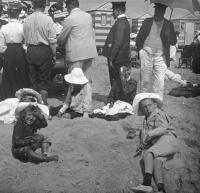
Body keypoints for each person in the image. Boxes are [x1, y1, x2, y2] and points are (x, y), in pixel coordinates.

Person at [131, 93, 179, 193]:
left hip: (168, 139)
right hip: (163, 145)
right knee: (157, 162)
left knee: (148, 153)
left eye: (149, 105)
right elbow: (146, 133)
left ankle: (146, 184)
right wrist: (141, 141)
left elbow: (163, 128)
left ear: (155, 105)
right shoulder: (146, 120)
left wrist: (149, 135)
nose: (147, 108)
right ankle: (161, 188)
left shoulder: (158, 113)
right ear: (142, 110)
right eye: (144, 107)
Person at [57, 0, 97, 116]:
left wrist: (58, 39)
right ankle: (86, 110)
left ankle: (69, 105)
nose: (66, 9)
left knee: (74, 81)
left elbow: (62, 38)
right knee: (87, 81)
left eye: (66, 7)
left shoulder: (70, 18)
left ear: (69, 6)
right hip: (89, 52)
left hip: (75, 54)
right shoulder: (88, 16)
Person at [136, 3, 177, 98]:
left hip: (160, 57)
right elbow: (139, 38)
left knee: (159, 84)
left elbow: (173, 42)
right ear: (154, 11)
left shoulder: (168, 24)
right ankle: (143, 102)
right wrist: (140, 52)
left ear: (164, 12)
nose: (157, 13)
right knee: (144, 82)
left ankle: (157, 105)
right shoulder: (147, 22)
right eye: (156, 11)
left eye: (160, 11)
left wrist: (170, 34)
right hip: (146, 54)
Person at [23, 0, 57, 105]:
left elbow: (25, 37)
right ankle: (43, 104)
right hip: (44, 50)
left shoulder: (27, 20)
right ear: (43, 6)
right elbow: (52, 40)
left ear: (33, 6)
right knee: (44, 79)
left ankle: (34, 104)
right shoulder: (48, 19)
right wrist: (54, 54)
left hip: (31, 50)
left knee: (33, 79)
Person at [102, 1, 130, 103]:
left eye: (113, 11)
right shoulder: (121, 21)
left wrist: (111, 58)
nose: (112, 13)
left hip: (117, 58)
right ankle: (116, 98)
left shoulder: (121, 22)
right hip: (119, 57)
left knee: (116, 79)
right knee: (117, 80)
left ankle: (114, 99)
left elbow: (117, 42)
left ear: (118, 10)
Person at [0, 1, 29, 100]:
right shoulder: (22, 26)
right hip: (19, 51)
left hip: (8, 52)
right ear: (19, 13)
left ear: (8, 13)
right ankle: (20, 97)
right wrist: (24, 50)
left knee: (8, 74)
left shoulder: (3, 28)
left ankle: (8, 96)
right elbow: (26, 43)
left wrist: (5, 52)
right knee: (20, 74)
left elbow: (1, 46)